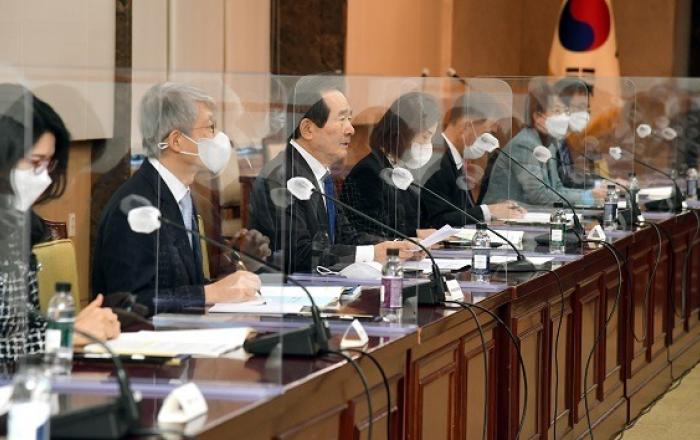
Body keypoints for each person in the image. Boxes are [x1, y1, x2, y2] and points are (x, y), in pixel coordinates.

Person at [93, 82, 266, 315]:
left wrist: (232, 271)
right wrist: (209, 293)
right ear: (176, 141)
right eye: (210, 127)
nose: (219, 138)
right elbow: (128, 303)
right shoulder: (135, 210)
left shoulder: (181, 195)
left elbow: (183, 284)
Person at [0, 84, 120, 368]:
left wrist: (75, 327)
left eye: (48, 164)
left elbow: (21, 328)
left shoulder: (16, 225)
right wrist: (64, 336)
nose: (43, 177)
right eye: (35, 162)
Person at [249, 76, 418, 273]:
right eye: (342, 119)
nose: (351, 129)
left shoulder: (321, 173)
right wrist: (372, 253)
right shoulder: (282, 178)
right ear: (308, 129)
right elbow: (298, 254)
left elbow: (345, 237)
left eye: (349, 119)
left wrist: (394, 247)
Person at [482, 80, 607, 206]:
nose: (564, 117)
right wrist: (585, 198)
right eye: (557, 112)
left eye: (565, 112)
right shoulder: (524, 144)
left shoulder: (549, 144)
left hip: (528, 213)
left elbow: (557, 188)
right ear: (538, 117)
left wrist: (590, 195)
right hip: (501, 215)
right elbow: (538, 195)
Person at [341, 92, 441, 237]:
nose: (428, 145)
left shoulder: (403, 172)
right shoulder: (368, 173)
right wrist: (416, 235)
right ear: (404, 132)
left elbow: (417, 220)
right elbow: (371, 232)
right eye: (425, 136)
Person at [421, 94, 526, 228]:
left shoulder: (454, 158)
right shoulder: (436, 158)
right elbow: (438, 220)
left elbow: (459, 213)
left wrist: (496, 211)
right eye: (486, 133)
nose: (488, 143)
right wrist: (488, 211)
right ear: (466, 126)